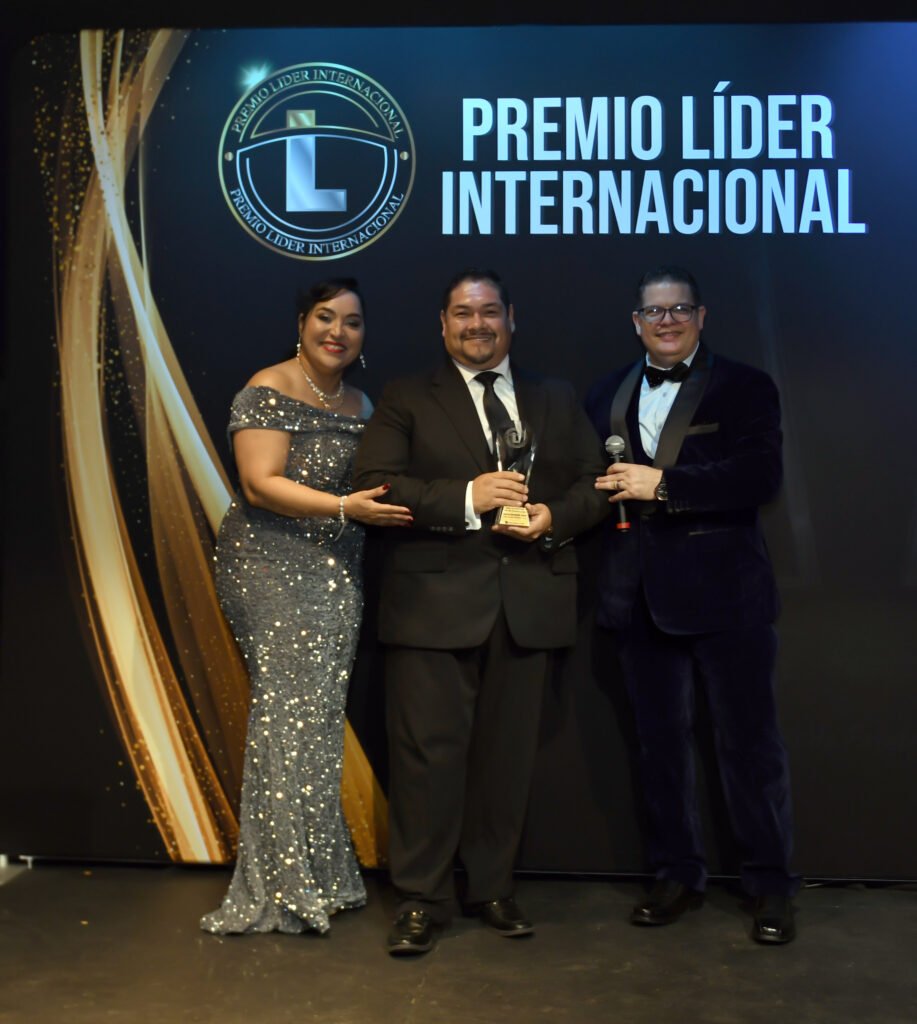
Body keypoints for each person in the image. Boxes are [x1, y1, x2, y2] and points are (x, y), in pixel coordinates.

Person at [352, 268, 608, 956]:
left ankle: (493, 886)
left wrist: (554, 518)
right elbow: (376, 483)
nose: (477, 325)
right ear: (442, 325)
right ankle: (421, 898)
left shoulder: (554, 396)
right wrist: (469, 497)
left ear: (510, 319)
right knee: (425, 761)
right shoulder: (407, 396)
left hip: (529, 601)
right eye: (463, 314)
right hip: (431, 605)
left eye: (489, 312)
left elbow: (595, 482)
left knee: (506, 760)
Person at [585, 265, 799, 945]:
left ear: (701, 317)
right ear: (636, 323)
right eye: (654, 311)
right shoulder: (605, 393)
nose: (667, 320)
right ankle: (676, 873)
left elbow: (759, 475)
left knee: (749, 748)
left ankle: (769, 884)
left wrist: (665, 485)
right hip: (636, 600)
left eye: (679, 309)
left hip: (728, 597)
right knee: (658, 751)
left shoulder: (745, 386)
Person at [200, 279, 411, 936]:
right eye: (325, 317)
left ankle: (319, 872)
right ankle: (279, 885)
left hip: (337, 568)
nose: (337, 332)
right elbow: (259, 485)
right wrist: (348, 507)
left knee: (316, 720)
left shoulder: (362, 402)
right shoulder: (269, 385)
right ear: (301, 323)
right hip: (268, 564)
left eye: (352, 322)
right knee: (285, 716)